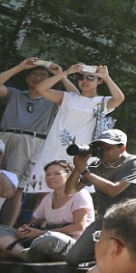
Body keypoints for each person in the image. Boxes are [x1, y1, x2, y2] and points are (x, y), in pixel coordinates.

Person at [0, 58, 77, 225]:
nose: (38, 78)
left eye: (43, 75)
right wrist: (19, 67)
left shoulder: (54, 99)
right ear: (27, 78)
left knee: (16, 189)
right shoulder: (15, 93)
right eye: (34, 74)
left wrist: (61, 75)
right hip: (4, 139)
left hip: (32, 141)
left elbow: (77, 98)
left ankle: (6, 231)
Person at [33, 62, 125, 193]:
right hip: (55, 147)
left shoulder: (101, 102)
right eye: (81, 77)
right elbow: (40, 88)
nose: (84, 81)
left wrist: (106, 77)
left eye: (90, 77)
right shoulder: (67, 97)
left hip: (81, 152)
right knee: (46, 192)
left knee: (74, 193)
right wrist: (65, 73)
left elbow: (119, 98)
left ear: (99, 81)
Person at [64, 129, 136, 266]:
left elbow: (113, 190)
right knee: (72, 258)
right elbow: (70, 191)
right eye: (100, 147)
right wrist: (78, 167)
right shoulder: (97, 166)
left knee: (117, 260)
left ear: (122, 148)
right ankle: (99, 262)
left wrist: (84, 172)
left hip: (131, 220)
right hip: (106, 218)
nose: (103, 151)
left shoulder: (134, 163)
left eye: (108, 148)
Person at [0, 160, 93, 261]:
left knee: (51, 238)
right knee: (3, 230)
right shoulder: (48, 198)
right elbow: (33, 223)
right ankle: (24, 254)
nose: (51, 177)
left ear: (69, 175)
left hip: (73, 243)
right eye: (48, 174)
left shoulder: (80, 194)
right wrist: (24, 231)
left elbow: (79, 227)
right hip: (44, 238)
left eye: (57, 174)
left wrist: (40, 233)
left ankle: (21, 252)